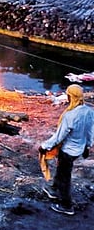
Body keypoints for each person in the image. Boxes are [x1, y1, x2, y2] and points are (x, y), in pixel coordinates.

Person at [39, 84, 94, 215]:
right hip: (80, 149)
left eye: (68, 95)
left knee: (65, 177)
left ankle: (66, 205)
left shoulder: (70, 116)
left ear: (71, 96)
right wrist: (88, 146)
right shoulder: (89, 111)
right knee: (61, 169)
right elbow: (91, 131)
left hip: (68, 151)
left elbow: (59, 137)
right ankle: (53, 189)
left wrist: (44, 146)